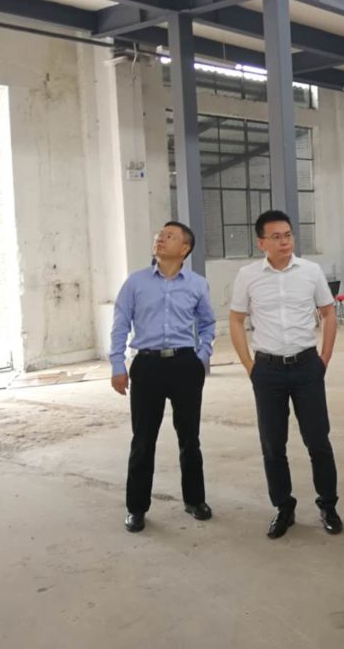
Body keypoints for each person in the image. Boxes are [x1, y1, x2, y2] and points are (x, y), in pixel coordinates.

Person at [229, 210, 342, 539]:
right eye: (276, 237)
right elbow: (236, 319)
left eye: (288, 235)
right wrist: (249, 366)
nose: (284, 242)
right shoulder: (248, 276)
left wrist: (324, 358)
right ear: (261, 242)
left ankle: (328, 505)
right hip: (268, 370)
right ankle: (283, 507)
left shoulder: (310, 271)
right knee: (273, 443)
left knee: (318, 440)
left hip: (307, 366)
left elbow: (328, 313)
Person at [110, 221, 216, 533]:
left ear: (184, 248)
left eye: (169, 236)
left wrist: (202, 356)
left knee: (189, 438)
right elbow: (120, 323)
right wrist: (117, 364)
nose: (160, 239)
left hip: (185, 365)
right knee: (143, 440)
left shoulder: (197, 284)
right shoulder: (136, 282)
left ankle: (195, 500)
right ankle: (136, 508)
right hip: (147, 366)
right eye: (159, 235)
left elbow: (208, 323)